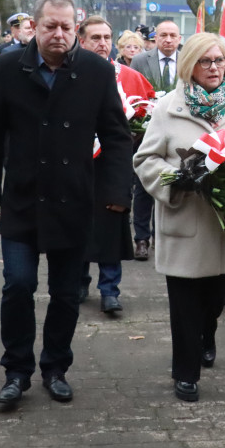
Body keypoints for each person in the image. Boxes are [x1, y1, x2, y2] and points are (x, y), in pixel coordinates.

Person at [0, 0, 133, 407]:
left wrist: (117, 191)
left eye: (66, 27)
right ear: (35, 26)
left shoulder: (97, 71)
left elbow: (117, 137)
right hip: (23, 199)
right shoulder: (10, 67)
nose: (58, 34)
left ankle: (56, 367)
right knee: (19, 285)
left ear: (75, 28)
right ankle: (16, 371)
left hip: (74, 201)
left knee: (65, 293)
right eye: (50, 26)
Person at [133, 32, 225, 403]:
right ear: (190, 66)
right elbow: (145, 160)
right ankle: (185, 372)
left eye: (219, 61)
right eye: (206, 61)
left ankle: (208, 333)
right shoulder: (169, 108)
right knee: (184, 302)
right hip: (183, 218)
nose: (214, 67)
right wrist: (178, 180)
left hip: (221, 224)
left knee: (216, 296)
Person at [77, 16, 154, 314]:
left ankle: (110, 289)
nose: (102, 43)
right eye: (95, 38)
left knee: (112, 223)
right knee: (79, 224)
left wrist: (139, 127)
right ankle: (78, 282)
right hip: (80, 163)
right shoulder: (70, 74)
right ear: (81, 41)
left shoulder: (128, 75)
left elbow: (149, 106)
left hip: (114, 162)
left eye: (107, 38)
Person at [129, 20, 183, 260]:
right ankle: (141, 238)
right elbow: (135, 95)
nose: (168, 40)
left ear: (179, 38)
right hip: (146, 133)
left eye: (173, 35)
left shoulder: (187, 60)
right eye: (163, 35)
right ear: (156, 38)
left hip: (177, 135)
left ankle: (164, 238)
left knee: (170, 184)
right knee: (143, 187)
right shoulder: (141, 60)